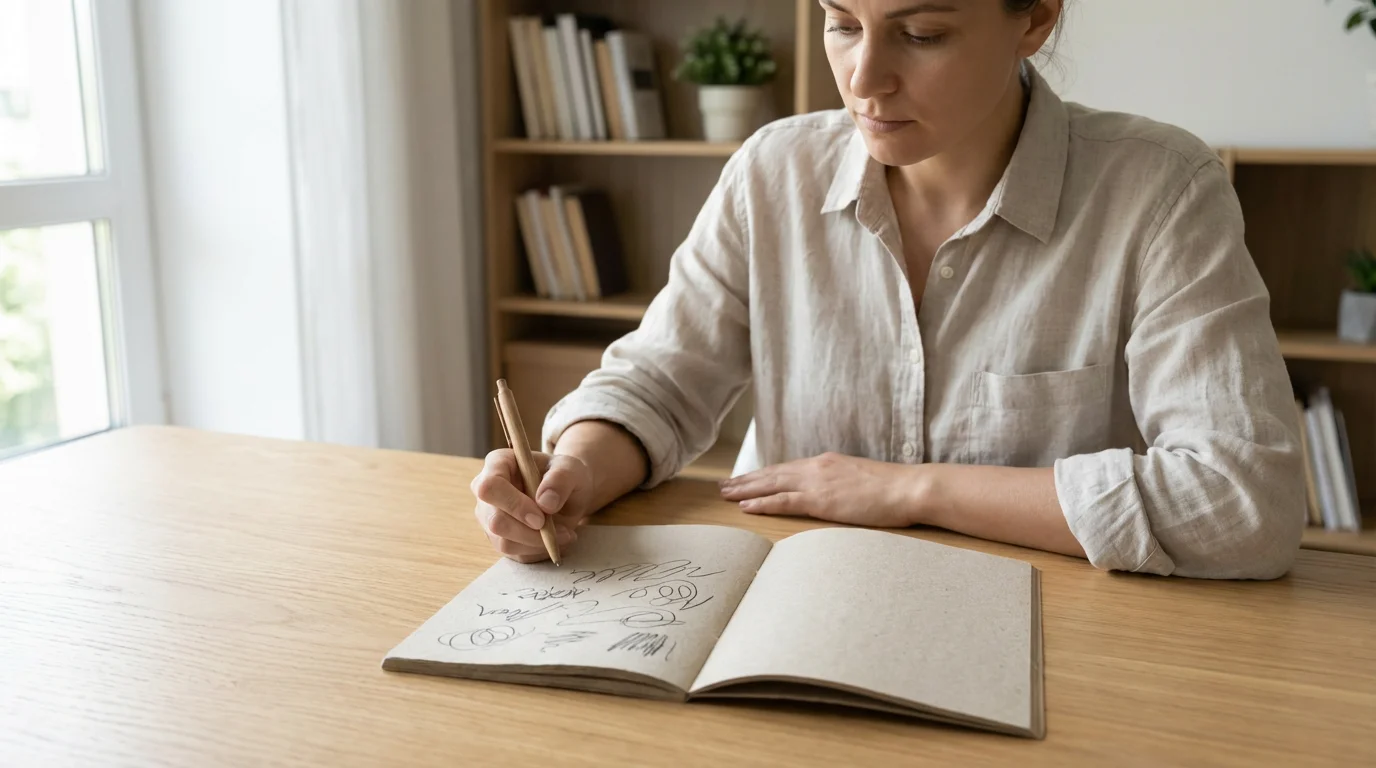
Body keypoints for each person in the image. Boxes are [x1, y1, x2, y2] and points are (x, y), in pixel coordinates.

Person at [471, 0, 1306, 579]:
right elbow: (658, 380)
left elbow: (1244, 502)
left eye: (922, 33)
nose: (865, 77)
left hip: (1061, 645)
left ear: (1036, 18)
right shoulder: (774, 169)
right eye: (841, 23)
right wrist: (575, 467)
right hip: (790, 619)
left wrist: (909, 490)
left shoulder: (1161, 190)